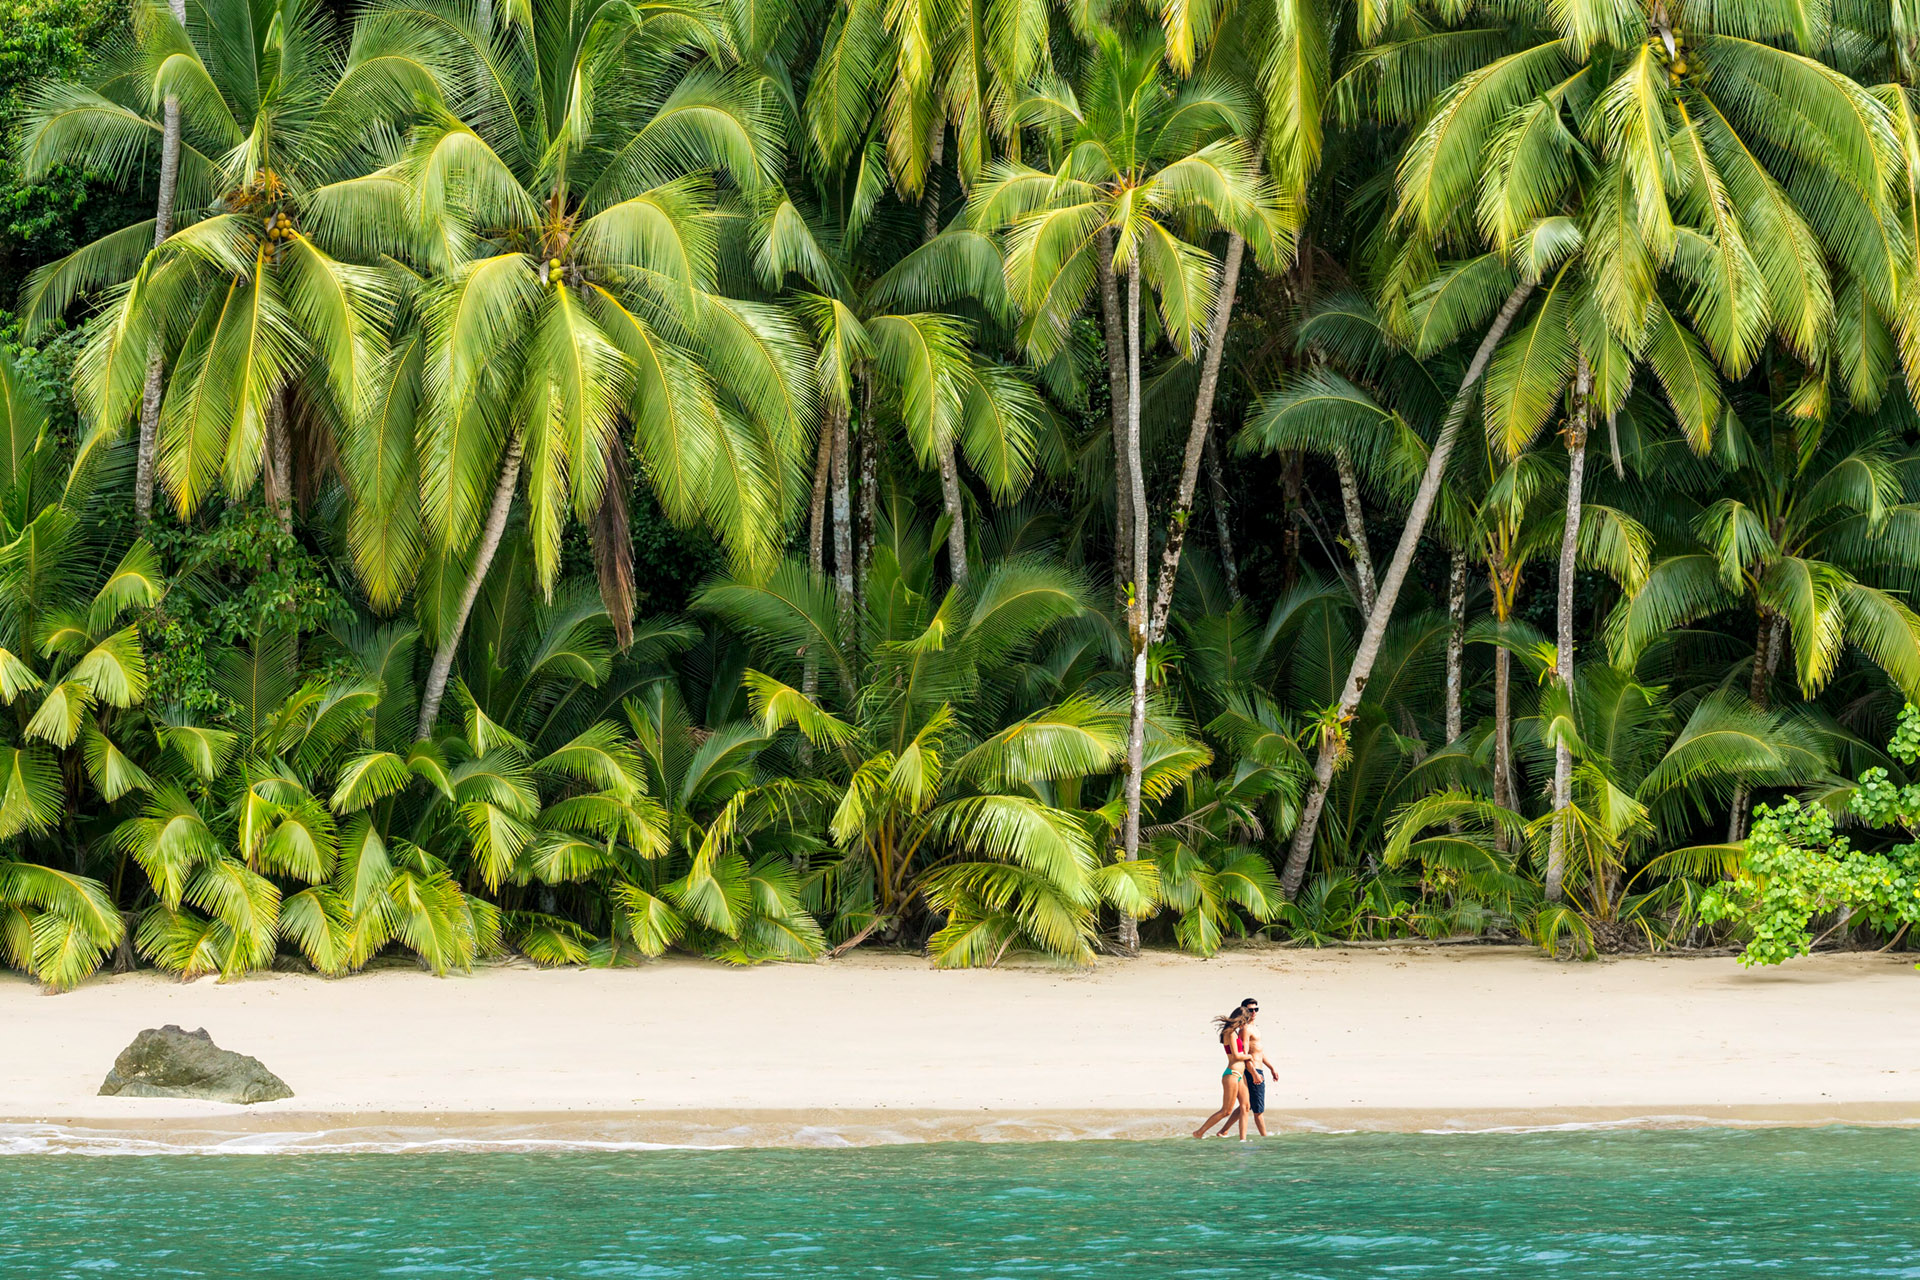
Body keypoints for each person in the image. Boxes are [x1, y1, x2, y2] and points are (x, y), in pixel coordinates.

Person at [1213, 998, 1277, 1138]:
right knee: (1256, 1108)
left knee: (1247, 1105)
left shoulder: (1255, 1028)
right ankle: (1265, 1138)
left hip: (1258, 1069)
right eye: (1250, 1010)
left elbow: (1258, 1051)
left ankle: (1224, 1131)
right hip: (1251, 1070)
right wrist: (1254, 1072)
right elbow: (1245, 1053)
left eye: (1256, 1009)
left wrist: (1271, 1067)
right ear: (1244, 1011)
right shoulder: (1245, 1030)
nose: (1253, 1012)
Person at [1192, 1005, 1255, 1140]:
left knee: (1246, 1106)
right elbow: (1237, 1056)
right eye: (1245, 1020)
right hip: (1232, 1074)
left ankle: (1242, 1140)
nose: (1245, 1024)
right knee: (1226, 1111)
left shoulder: (1235, 1033)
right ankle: (1199, 1132)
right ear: (1241, 1019)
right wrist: (1249, 1056)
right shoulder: (1230, 1033)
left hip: (1240, 1075)